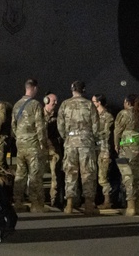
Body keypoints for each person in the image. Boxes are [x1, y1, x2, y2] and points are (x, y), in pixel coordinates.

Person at [57, 81, 99, 216]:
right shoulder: (89, 104)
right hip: (86, 142)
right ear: (84, 90)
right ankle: (88, 204)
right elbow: (96, 127)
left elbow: (60, 126)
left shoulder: (64, 104)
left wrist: (67, 137)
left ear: (72, 90)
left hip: (70, 142)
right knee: (88, 172)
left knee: (70, 172)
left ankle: (69, 204)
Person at [12, 78, 48, 213]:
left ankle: (17, 201)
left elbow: (13, 127)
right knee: (35, 175)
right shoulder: (35, 105)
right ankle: (35, 203)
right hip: (33, 145)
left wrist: (20, 138)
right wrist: (43, 144)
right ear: (34, 88)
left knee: (20, 174)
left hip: (20, 145)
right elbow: (40, 127)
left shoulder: (16, 105)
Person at [115, 94, 139, 215]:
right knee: (138, 176)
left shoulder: (123, 114)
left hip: (127, 148)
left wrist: (116, 144)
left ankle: (130, 207)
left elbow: (117, 131)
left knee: (127, 176)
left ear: (127, 102)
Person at [92, 93, 115, 209]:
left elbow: (106, 133)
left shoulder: (107, 117)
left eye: (94, 101)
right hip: (95, 149)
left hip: (103, 149)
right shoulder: (94, 116)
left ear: (99, 102)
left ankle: (107, 201)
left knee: (103, 177)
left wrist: (94, 135)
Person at [43, 93, 64, 208]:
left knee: (55, 174)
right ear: (46, 101)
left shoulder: (58, 116)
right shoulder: (39, 115)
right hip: (41, 148)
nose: (55, 103)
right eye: (53, 101)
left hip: (54, 148)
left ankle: (54, 199)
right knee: (36, 174)